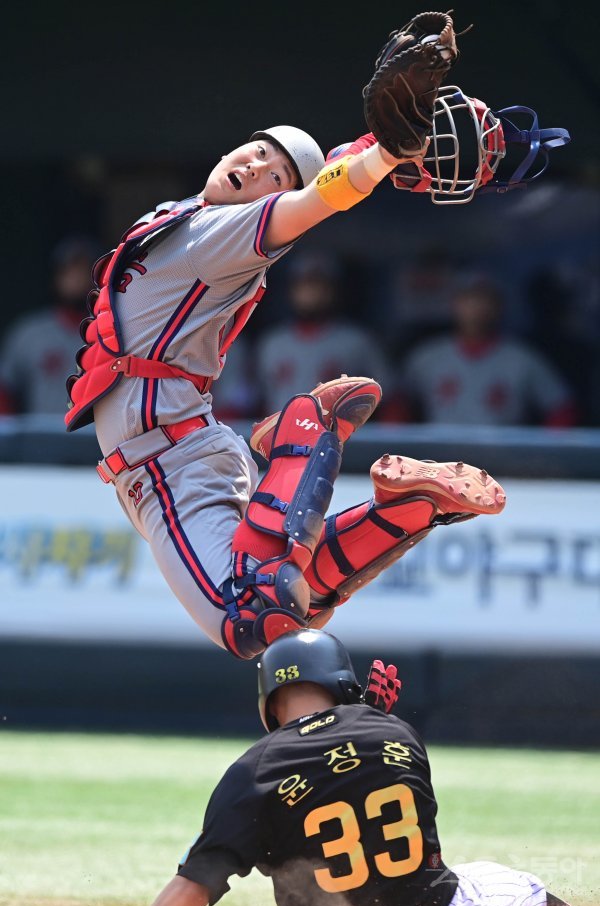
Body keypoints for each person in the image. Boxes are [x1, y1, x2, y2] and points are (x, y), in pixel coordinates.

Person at [65, 94, 507, 659]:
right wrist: (373, 146)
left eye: (273, 175)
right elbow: (325, 180)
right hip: (174, 451)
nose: (255, 167)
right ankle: (409, 505)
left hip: (170, 460)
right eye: (256, 151)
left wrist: (384, 155)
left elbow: (320, 199)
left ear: (274, 198)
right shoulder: (192, 216)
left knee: (251, 618)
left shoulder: (225, 231)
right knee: (289, 605)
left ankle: (303, 435)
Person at [149, 628, 579, 906]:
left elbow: (191, 889)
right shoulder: (396, 732)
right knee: (515, 887)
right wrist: (369, 715)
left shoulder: (251, 773)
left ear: (270, 703)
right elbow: (350, 775)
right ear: (341, 681)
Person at [397, 274, 578, 427]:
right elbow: (397, 403)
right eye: (469, 299)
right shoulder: (427, 356)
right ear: (454, 304)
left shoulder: (521, 358)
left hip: (501, 456)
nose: (476, 307)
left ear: (499, 306)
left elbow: (562, 408)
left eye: (485, 299)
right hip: (441, 455)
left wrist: (544, 453)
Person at [254, 250, 390, 416]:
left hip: (336, 431)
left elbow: (390, 399)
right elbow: (250, 401)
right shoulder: (272, 342)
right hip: (278, 429)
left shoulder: (356, 341)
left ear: (334, 289)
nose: (312, 292)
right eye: (305, 283)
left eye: (319, 284)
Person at [0, 235, 99, 415]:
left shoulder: (109, 330)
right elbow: (5, 388)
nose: (76, 278)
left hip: (95, 431)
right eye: (69, 271)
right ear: (56, 277)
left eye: (83, 270)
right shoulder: (30, 332)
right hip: (43, 431)